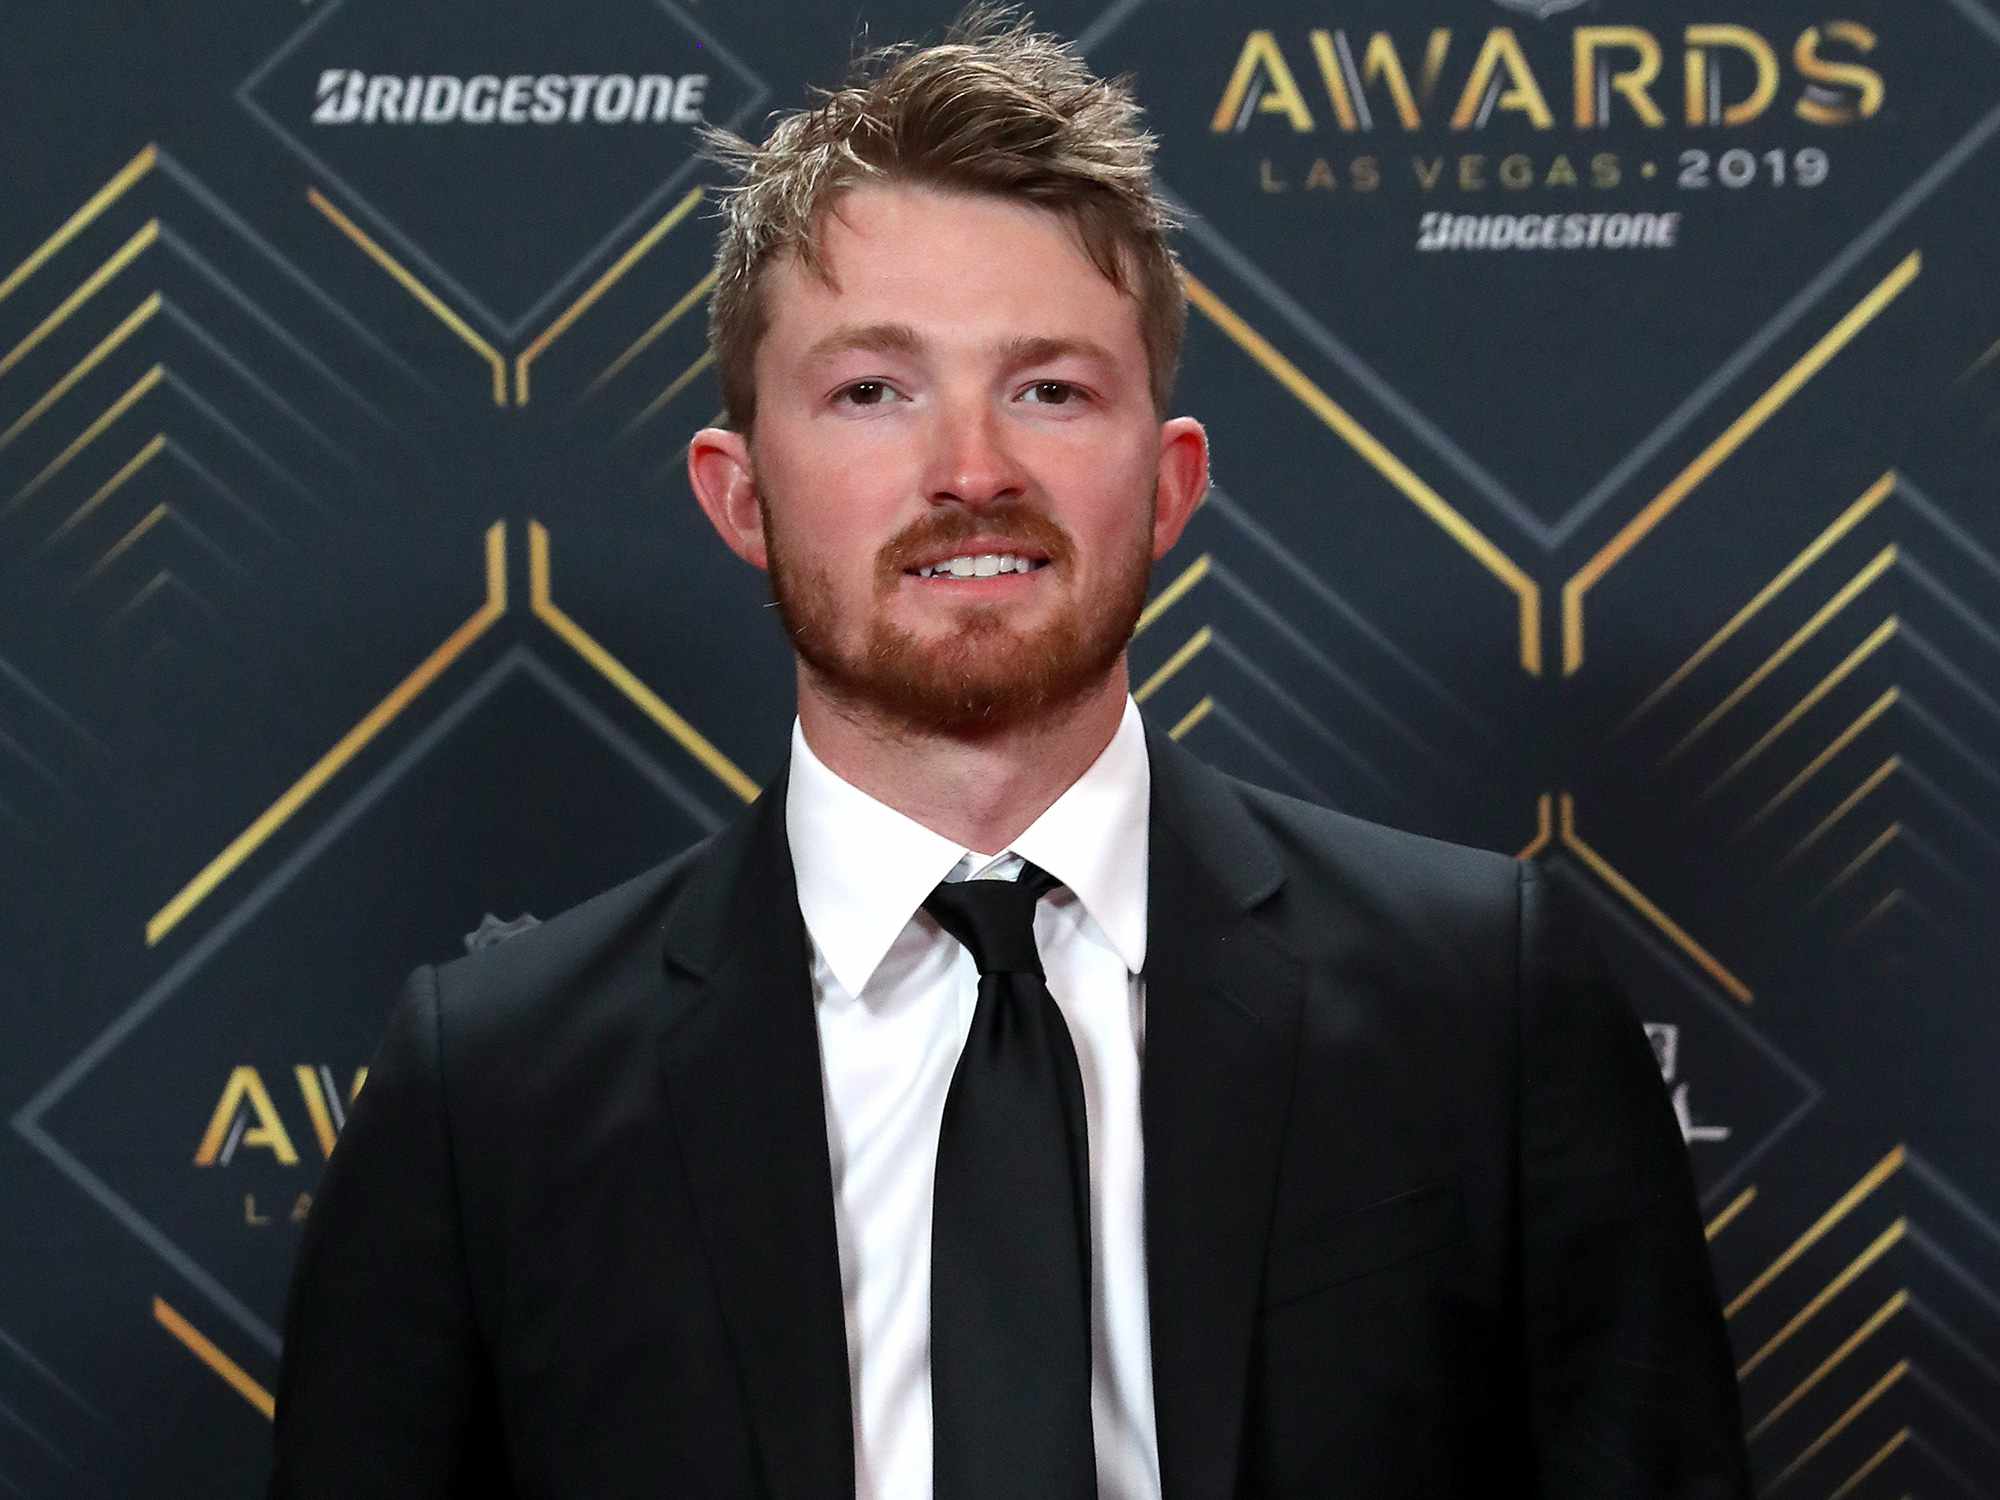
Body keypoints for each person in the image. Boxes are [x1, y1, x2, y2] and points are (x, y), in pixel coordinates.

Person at [267, 11, 1752, 1498]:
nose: (972, 471)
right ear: (739, 497)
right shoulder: (495, 1087)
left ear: (1170, 487)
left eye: (1051, 388)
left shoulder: (1477, 1001)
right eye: (872, 392)